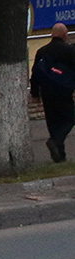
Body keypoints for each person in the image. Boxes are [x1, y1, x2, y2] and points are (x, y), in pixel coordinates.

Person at [31, 23, 75, 162]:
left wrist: (35, 93)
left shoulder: (42, 51)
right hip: (63, 91)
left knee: (53, 122)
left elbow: (35, 73)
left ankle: (60, 156)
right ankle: (56, 141)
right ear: (64, 35)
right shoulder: (69, 51)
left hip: (46, 92)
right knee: (70, 118)